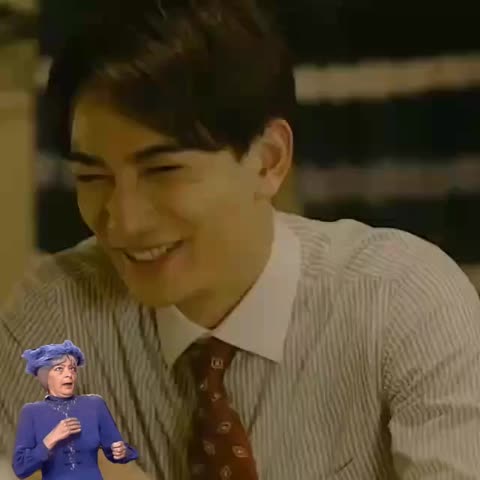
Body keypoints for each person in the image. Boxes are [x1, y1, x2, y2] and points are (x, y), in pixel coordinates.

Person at [1, 1, 480, 479]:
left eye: (163, 171)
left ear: (269, 160)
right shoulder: (52, 324)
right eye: (92, 177)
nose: (122, 220)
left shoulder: (404, 301)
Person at [11, 340, 138, 479]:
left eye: (72, 369)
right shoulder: (31, 412)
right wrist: (50, 439)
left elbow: (117, 450)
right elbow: (21, 468)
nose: (69, 374)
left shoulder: (95, 405)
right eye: (59, 369)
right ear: (45, 376)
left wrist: (122, 451)